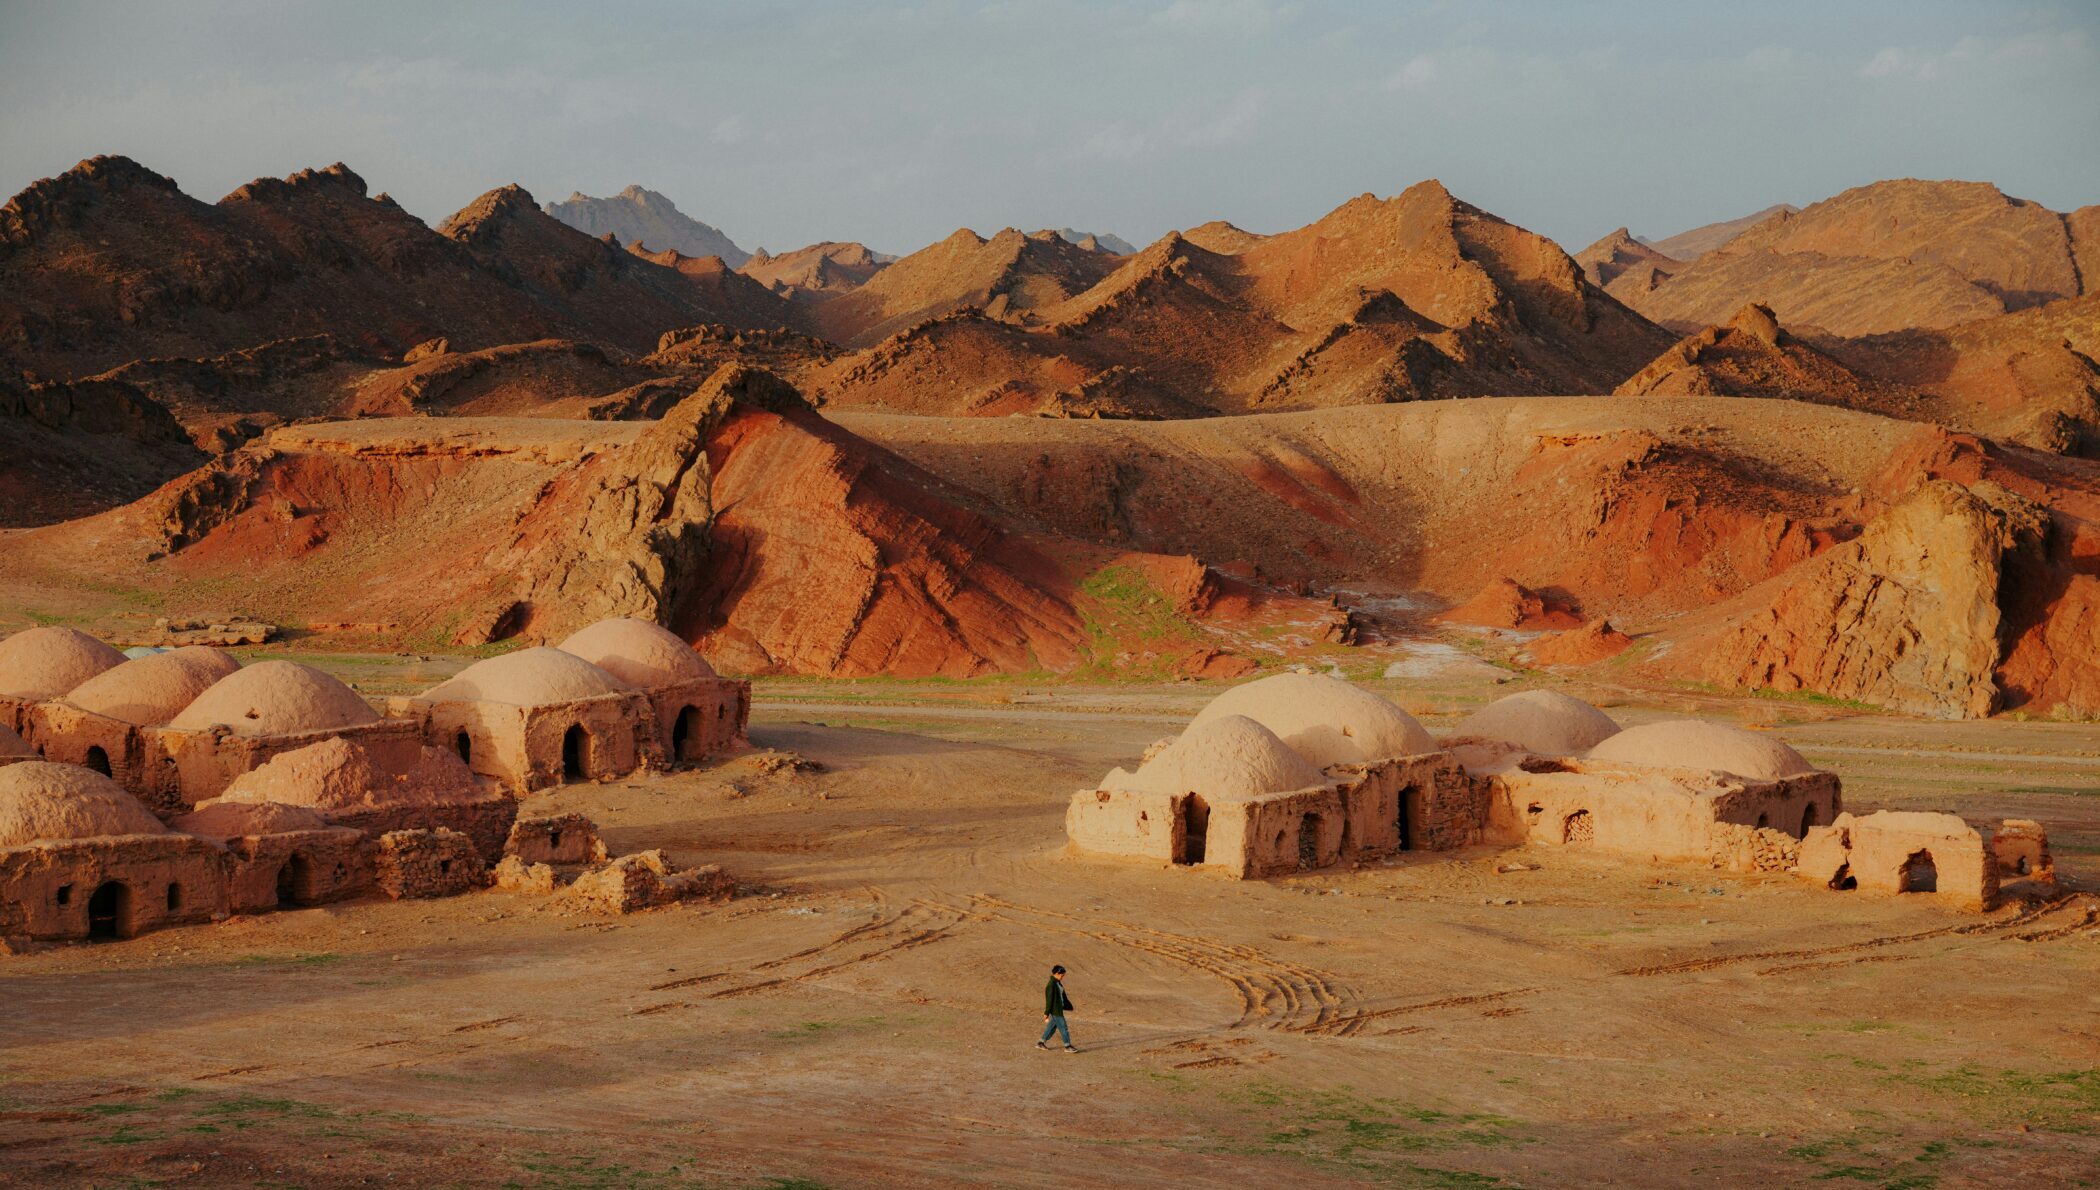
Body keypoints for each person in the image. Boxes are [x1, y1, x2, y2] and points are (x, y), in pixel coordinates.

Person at [1036, 964, 1076, 1052]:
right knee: (1063, 1027)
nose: (1062, 977)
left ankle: (1041, 1042)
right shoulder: (1051, 985)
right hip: (1055, 1010)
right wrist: (1046, 1013)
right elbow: (1049, 1000)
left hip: (1058, 1009)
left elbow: (1062, 996)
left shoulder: (1057, 983)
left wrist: (1068, 1005)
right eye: (1062, 975)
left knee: (1051, 1027)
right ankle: (1067, 1046)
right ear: (1057, 973)